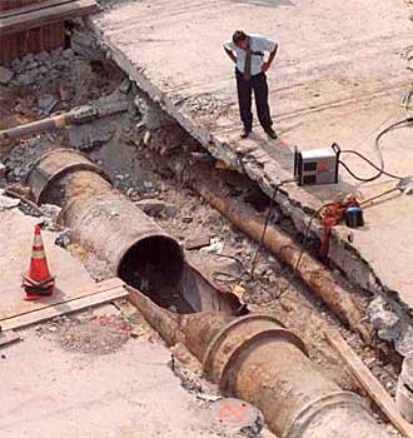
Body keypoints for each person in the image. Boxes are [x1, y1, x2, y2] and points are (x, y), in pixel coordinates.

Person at [224, 30, 278, 139]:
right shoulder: (234, 44)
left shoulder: (259, 40)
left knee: (262, 101)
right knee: (244, 101)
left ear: (246, 39)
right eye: (237, 46)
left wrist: (268, 63)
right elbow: (226, 47)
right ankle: (247, 126)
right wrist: (235, 60)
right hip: (242, 75)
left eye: (241, 45)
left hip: (257, 74)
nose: (239, 47)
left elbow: (274, 47)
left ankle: (267, 127)